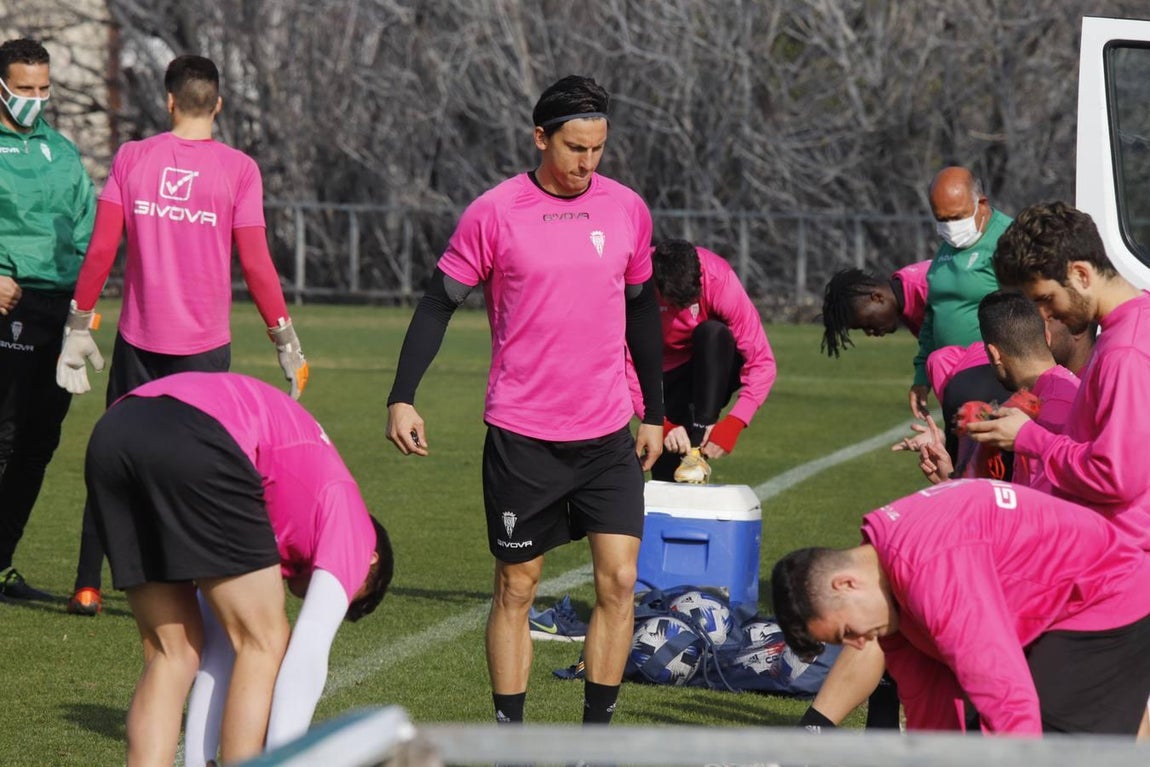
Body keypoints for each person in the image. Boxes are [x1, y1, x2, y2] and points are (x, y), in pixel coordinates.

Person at [385, 75, 664, 729]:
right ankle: (510, 732)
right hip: (523, 435)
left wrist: (653, 409)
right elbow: (437, 302)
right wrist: (403, 396)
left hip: (605, 433)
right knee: (517, 584)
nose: (586, 163)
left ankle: (596, 736)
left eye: (597, 149)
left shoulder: (626, 209)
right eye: (573, 147)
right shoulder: (494, 212)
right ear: (540, 138)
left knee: (619, 581)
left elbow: (643, 306)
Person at [55, 54, 307, 617]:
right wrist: (284, 339)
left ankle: (87, 584)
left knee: (112, 457)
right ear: (217, 104)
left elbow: (101, 250)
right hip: (203, 349)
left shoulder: (133, 157)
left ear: (169, 100)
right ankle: (190, 585)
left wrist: (79, 322)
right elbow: (257, 263)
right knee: (194, 465)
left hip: (137, 341)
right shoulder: (239, 169)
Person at [85, 371, 393, 766]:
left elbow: (217, 647)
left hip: (116, 431)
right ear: (371, 558)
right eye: (352, 590)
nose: (312, 590)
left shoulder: (287, 515)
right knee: (265, 640)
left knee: (174, 653)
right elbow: (307, 653)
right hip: (198, 435)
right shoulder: (356, 528)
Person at [773, 479, 1150, 736]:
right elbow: (930, 710)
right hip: (1058, 611)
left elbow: (1006, 695)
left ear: (846, 584)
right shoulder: (892, 599)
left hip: (1108, 595)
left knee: (1052, 742)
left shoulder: (932, 568)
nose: (857, 644)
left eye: (846, 632)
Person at [965, 201, 1150, 552]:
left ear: (1081, 274)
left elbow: (1115, 477)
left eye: (1047, 298)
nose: (1045, 315)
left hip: (1121, 561)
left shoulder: (1125, 351)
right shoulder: (1131, 323)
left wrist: (1030, 437)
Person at [0, 39, 96, 602]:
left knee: (40, 440)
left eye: (43, 88)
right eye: (24, 89)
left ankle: (2, 561)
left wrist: (82, 310)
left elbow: (87, 228)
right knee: (4, 437)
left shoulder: (61, 150)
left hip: (59, 311)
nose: (36, 98)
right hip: (8, 304)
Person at [642, 238, 776, 483]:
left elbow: (762, 361)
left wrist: (735, 422)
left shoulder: (718, 278)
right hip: (660, 372)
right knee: (666, 478)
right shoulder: (634, 283)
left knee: (712, 332)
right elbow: (624, 364)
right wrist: (659, 422)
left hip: (710, 366)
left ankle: (700, 436)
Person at [908, 167, 1010, 419]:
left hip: (995, 380)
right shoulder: (947, 248)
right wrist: (922, 374)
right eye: (942, 219)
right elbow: (933, 315)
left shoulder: (1008, 239)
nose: (951, 227)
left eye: (957, 217)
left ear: (982, 204)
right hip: (950, 379)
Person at [820, 259, 930, 358]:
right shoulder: (905, 304)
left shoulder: (927, 288)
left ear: (877, 297)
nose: (869, 332)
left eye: (868, 324)